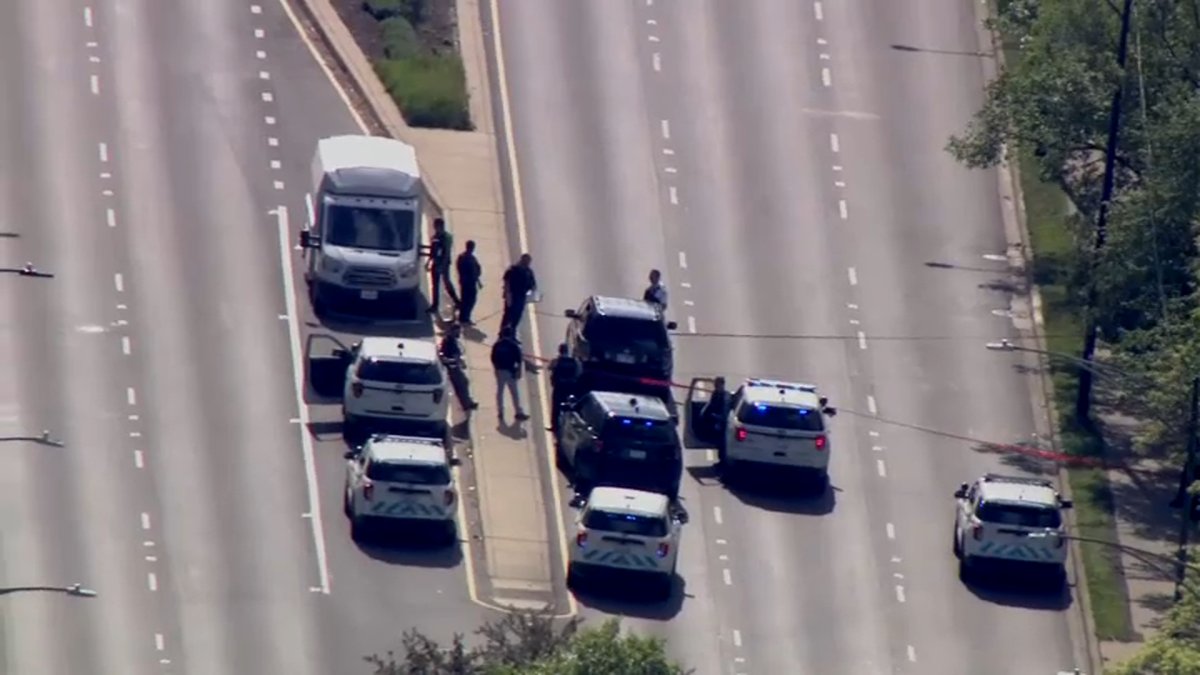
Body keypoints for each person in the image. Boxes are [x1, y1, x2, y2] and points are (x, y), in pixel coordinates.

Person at [490, 326, 528, 421]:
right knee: (514, 393)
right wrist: (519, 372)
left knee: (500, 392)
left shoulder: (497, 345)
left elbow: (493, 358)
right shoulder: (513, 345)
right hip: (510, 371)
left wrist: (496, 368)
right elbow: (519, 360)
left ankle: (500, 412)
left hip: (499, 370)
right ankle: (518, 412)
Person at [439, 323, 477, 411]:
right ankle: (467, 404)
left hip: (452, 365)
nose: (459, 333)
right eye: (458, 331)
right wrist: (459, 363)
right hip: (452, 367)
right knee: (462, 384)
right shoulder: (450, 341)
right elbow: (453, 355)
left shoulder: (449, 339)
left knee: (463, 383)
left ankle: (467, 402)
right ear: (453, 331)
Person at [426, 217, 460, 315]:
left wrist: (442, 266)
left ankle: (457, 301)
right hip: (436, 263)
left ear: (440, 226)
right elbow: (433, 251)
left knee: (447, 283)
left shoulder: (447, 238)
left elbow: (446, 253)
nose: (435, 228)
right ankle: (434, 305)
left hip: (443, 264)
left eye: (436, 227)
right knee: (435, 286)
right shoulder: (435, 237)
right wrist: (429, 262)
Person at [548, 343, 583, 433]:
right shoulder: (574, 361)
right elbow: (579, 372)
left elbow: (550, 367)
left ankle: (554, 426)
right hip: (570, 387)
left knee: (556, 407)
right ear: (567, 351)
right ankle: (569, 427)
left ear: (559, 351)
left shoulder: (557, 361)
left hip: (559, 386)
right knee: (570, 406)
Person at [501, 253, 537, 330]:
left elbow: (533, 285)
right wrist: (507, 294)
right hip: (512, 296)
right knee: (508, 315)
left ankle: (512, 332)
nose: (527, 263)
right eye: (526, 261)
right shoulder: (513, 269)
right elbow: (506, 281)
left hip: (521, 297)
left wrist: (530, 294)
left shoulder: (529, 272)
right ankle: (503, 332)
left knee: (517, 316)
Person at [699, 376, 731, 462]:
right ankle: (721, 461)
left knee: (723, 446)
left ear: (722, 385)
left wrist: (718, 420)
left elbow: (725, 412)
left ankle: (723, 462)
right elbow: (711, 405)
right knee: (719, 445)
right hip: (716, 421)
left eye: (717, 385)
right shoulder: (715, 394)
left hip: (723, 424)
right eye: (715, 385)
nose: (716, 387)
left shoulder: (725, 397)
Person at [456, 240, 482, 325]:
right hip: (467, 282)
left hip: (471, 282)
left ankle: (465, 316)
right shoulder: (464, 257)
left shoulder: (472, 258)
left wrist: (478, 280)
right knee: (467, 300)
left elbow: (476, 270)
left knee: (470, 300)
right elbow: (462, 270)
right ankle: (464, 318)